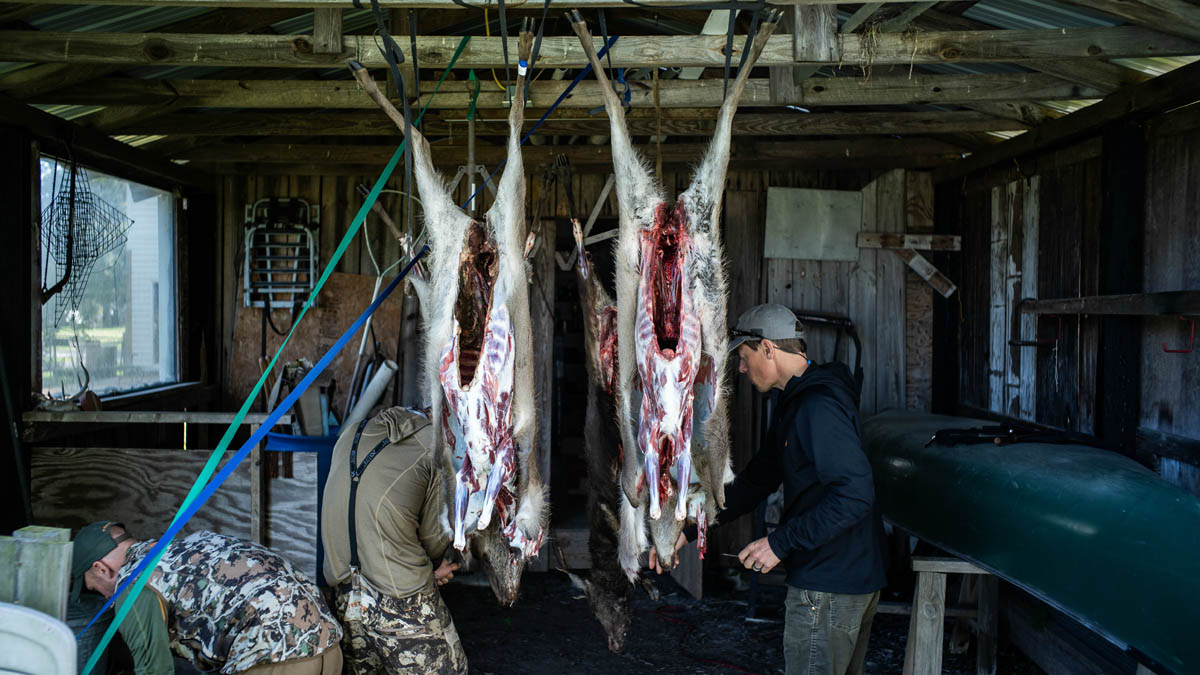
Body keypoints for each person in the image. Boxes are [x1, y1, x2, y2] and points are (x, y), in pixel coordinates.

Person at [653, 303, 888, 675]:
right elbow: (755, 481)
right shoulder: (795, 403)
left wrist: (780, 542)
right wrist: (691, 527)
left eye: (745, 358)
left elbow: (855, 494)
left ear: (768, 349)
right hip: (839, 581)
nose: (742, 369)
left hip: (829, 587)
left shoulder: (817, 406)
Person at [71, 521, 343, 675]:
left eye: (94, 588)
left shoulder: (133, 587)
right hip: (328, 644)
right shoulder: (188, 545)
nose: (103, 597)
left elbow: (154, 671)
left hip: (274, 657)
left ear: (101, 568)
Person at [321, 406, 467, 674]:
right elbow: (435, 538)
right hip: (401, 599)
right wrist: (433, 570)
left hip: (343, 594)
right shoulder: (433, 447)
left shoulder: (350, 433)